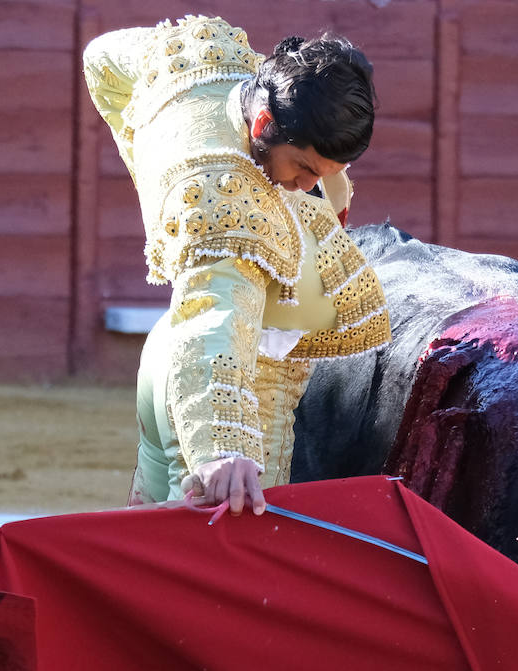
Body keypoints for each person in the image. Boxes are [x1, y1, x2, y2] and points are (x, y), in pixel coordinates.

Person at [82, 16, 391, 517]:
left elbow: (103, 57)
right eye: (305, 169)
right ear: (265, 125)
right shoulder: (231, 207)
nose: (306, 186)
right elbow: (214, 318)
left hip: (167, 361)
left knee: (148, 549)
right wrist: (225, 447)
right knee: (220, 574)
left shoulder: (203, 69)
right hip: (238, 383)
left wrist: (152, 163)